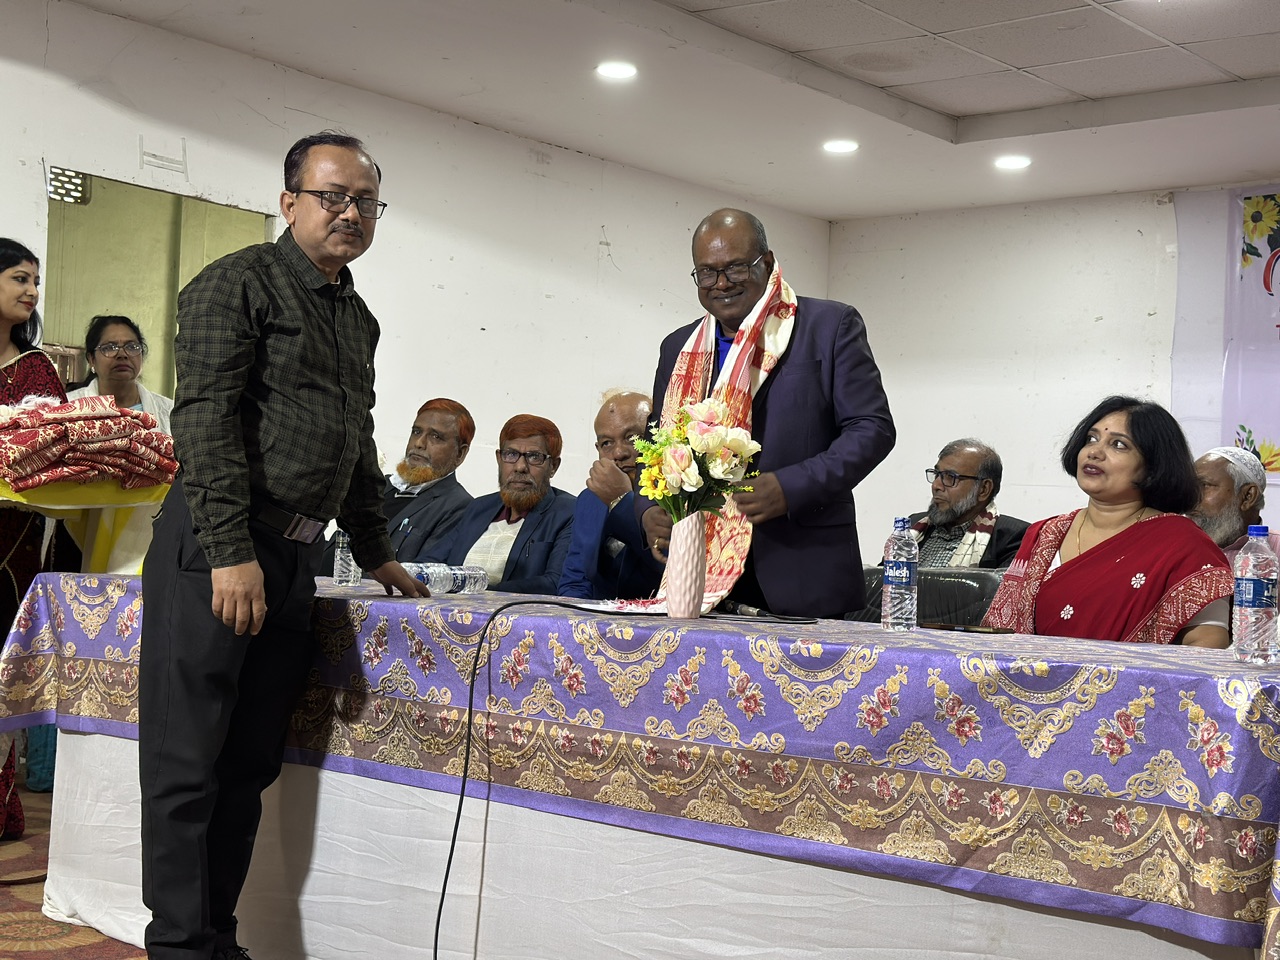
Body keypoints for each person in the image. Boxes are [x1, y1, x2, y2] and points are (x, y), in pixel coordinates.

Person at [138, 132, 428, 960]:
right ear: (289, 200)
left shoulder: (356, 317)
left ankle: (215, 941)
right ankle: (179, 949)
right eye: (332, 196)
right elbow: (205, 421)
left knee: (246, 768)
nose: (350, 212)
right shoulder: (236, 283)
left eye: (365, 201)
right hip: (219, 548)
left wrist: (375, 547)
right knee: (187, 766)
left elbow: (356, 440)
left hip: (297, 560)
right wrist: (230, 550)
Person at [643, 208, 895, 618]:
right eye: (707, 272)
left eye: (736, 267)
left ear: (768, 261)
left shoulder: (828, 326)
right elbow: (657, 446)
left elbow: (872, 430)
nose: (721, 283)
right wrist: (647, 512)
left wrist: (791, 487)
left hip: (801, 568)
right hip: (698, 572)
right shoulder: (678, 347)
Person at [983, 395, 1231, 647]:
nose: (1094, 452)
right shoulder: (1044, 534)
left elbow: (1207, 641)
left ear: (1153, 466)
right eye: (1091, 439)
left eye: (1118, 445)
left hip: (1135, 674)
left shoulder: (1183, 544)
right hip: (1031, 671)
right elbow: (1001, 631)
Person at [0, 238, 67, 840]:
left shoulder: (37, 369)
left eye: (36, 281)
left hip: (10, 538)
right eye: (20, 278)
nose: (32, 291)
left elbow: (57, 448)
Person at [417, 414, 575, 594]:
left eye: (534, 457)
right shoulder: (479, 508)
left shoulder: (568, 513)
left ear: (553, 466)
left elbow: (554, 582)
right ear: (499, 459)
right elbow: (430, 562)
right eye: (511, 454)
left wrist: (477, 592)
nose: (520, 467)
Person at [324, 397, 473, 571]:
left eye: (436, 437)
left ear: (460, 453)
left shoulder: (459, 507)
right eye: (416, 432)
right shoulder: (379, 485)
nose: (419, 443)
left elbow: (422, 574)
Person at [559, 391, 662, 600]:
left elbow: (670, 567)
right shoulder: (589, 500)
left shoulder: (679, 497)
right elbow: (575, 581)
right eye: (607, 443)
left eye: (632, 438)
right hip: (597, 617)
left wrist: (622, 500)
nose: (619, 453)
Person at [909, 439, 1027, 568]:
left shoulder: (1013, 538)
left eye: (950, 477)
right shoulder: (913, 527)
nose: (936, 485)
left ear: (983, 489)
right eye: (937, 474)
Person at [67, 314, 174, 432]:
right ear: (92, 359)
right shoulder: (66, 408)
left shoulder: (170, 412)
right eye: (109, 348)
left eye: (132, 347)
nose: (122, 354)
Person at [1190, 446, 1279, 565]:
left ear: (1248, 496)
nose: (1191, 498)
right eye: (1191, 487)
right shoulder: (1178, 548)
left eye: (1205, 485)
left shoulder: (1276, 550)